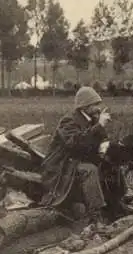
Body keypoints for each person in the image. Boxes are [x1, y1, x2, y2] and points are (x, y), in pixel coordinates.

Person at [39, 86, 125, 225]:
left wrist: (107, 145)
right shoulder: (68, 121)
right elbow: (75, 144)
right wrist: (99, 126)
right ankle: (96, 215)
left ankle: (117, 206)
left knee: (112, 164)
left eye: (98, 103)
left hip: (76, 161)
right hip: (61, 166)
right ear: (84, 106)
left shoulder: (92, 119)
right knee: (89, 170)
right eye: (95, 104)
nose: (98, 107)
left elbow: (101, 141)